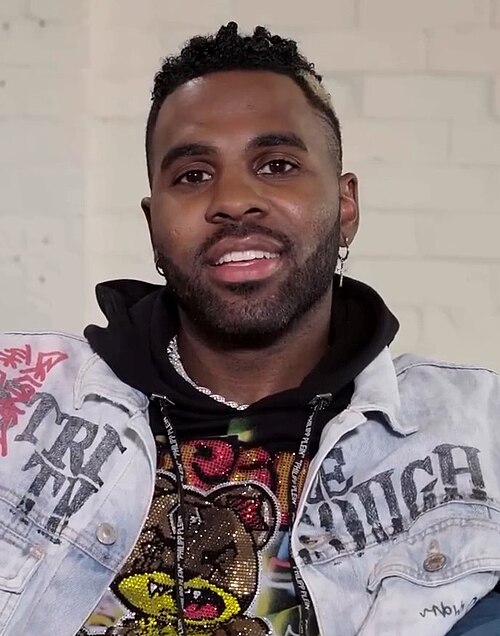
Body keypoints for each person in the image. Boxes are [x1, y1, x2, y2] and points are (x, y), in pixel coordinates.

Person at [0, 22, 499, 636]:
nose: (234, 200)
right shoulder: (20, 404)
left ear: (345, 207)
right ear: (153, 224)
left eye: (277, 165)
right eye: (193, 175)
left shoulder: (478, 430)